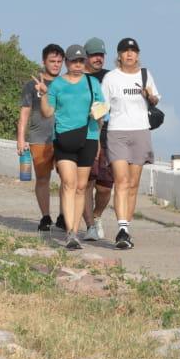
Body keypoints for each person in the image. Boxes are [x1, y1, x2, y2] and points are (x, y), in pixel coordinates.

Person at [39, 43, 105, 251]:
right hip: (64, 137)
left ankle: (74, 232)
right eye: (73, 61)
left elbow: (102, 111)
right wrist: (43, 93)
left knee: (80, 187)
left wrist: (98, 121)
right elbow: (47, 113)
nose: (77, 64)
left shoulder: (92, 82)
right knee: (68, 182)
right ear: (67, 62)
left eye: (80, 61)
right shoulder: (57, 85)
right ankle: (69, 231)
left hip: (89, 136)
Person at [101, 37, 160, 250]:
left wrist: (150, 96)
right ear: (119, 55)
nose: (129, 54)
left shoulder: (145, 75)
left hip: (141, 131)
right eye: (125, 51)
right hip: (117, 132)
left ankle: (127, 229)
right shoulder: (110, 78)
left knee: (133, 184)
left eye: (133, 51)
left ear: (138, 54)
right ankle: (121, 227)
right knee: (121, 181)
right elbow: (102, 106)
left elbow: (155, 99)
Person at [18, 43, 64, 231]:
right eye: (52, 61)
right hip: (38, 138)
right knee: (43, 179)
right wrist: (21, 139)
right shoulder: (31, 85)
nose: (56, 65)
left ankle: (64, 215)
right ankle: (46, 217)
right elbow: (24, 113)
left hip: (63, 137)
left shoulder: (65, 83)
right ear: (43, 61)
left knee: (67, 179)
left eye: (59, 62)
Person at [81, 37, 115, 241]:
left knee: (104, 186)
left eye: (101, 55)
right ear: (85, 56)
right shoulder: (77, 77)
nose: (98, 59)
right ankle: (90, 226)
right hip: (87, 135)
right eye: (94, 55)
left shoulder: (110, 77)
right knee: (87, 183)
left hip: (109, 135)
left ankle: (97, 215)